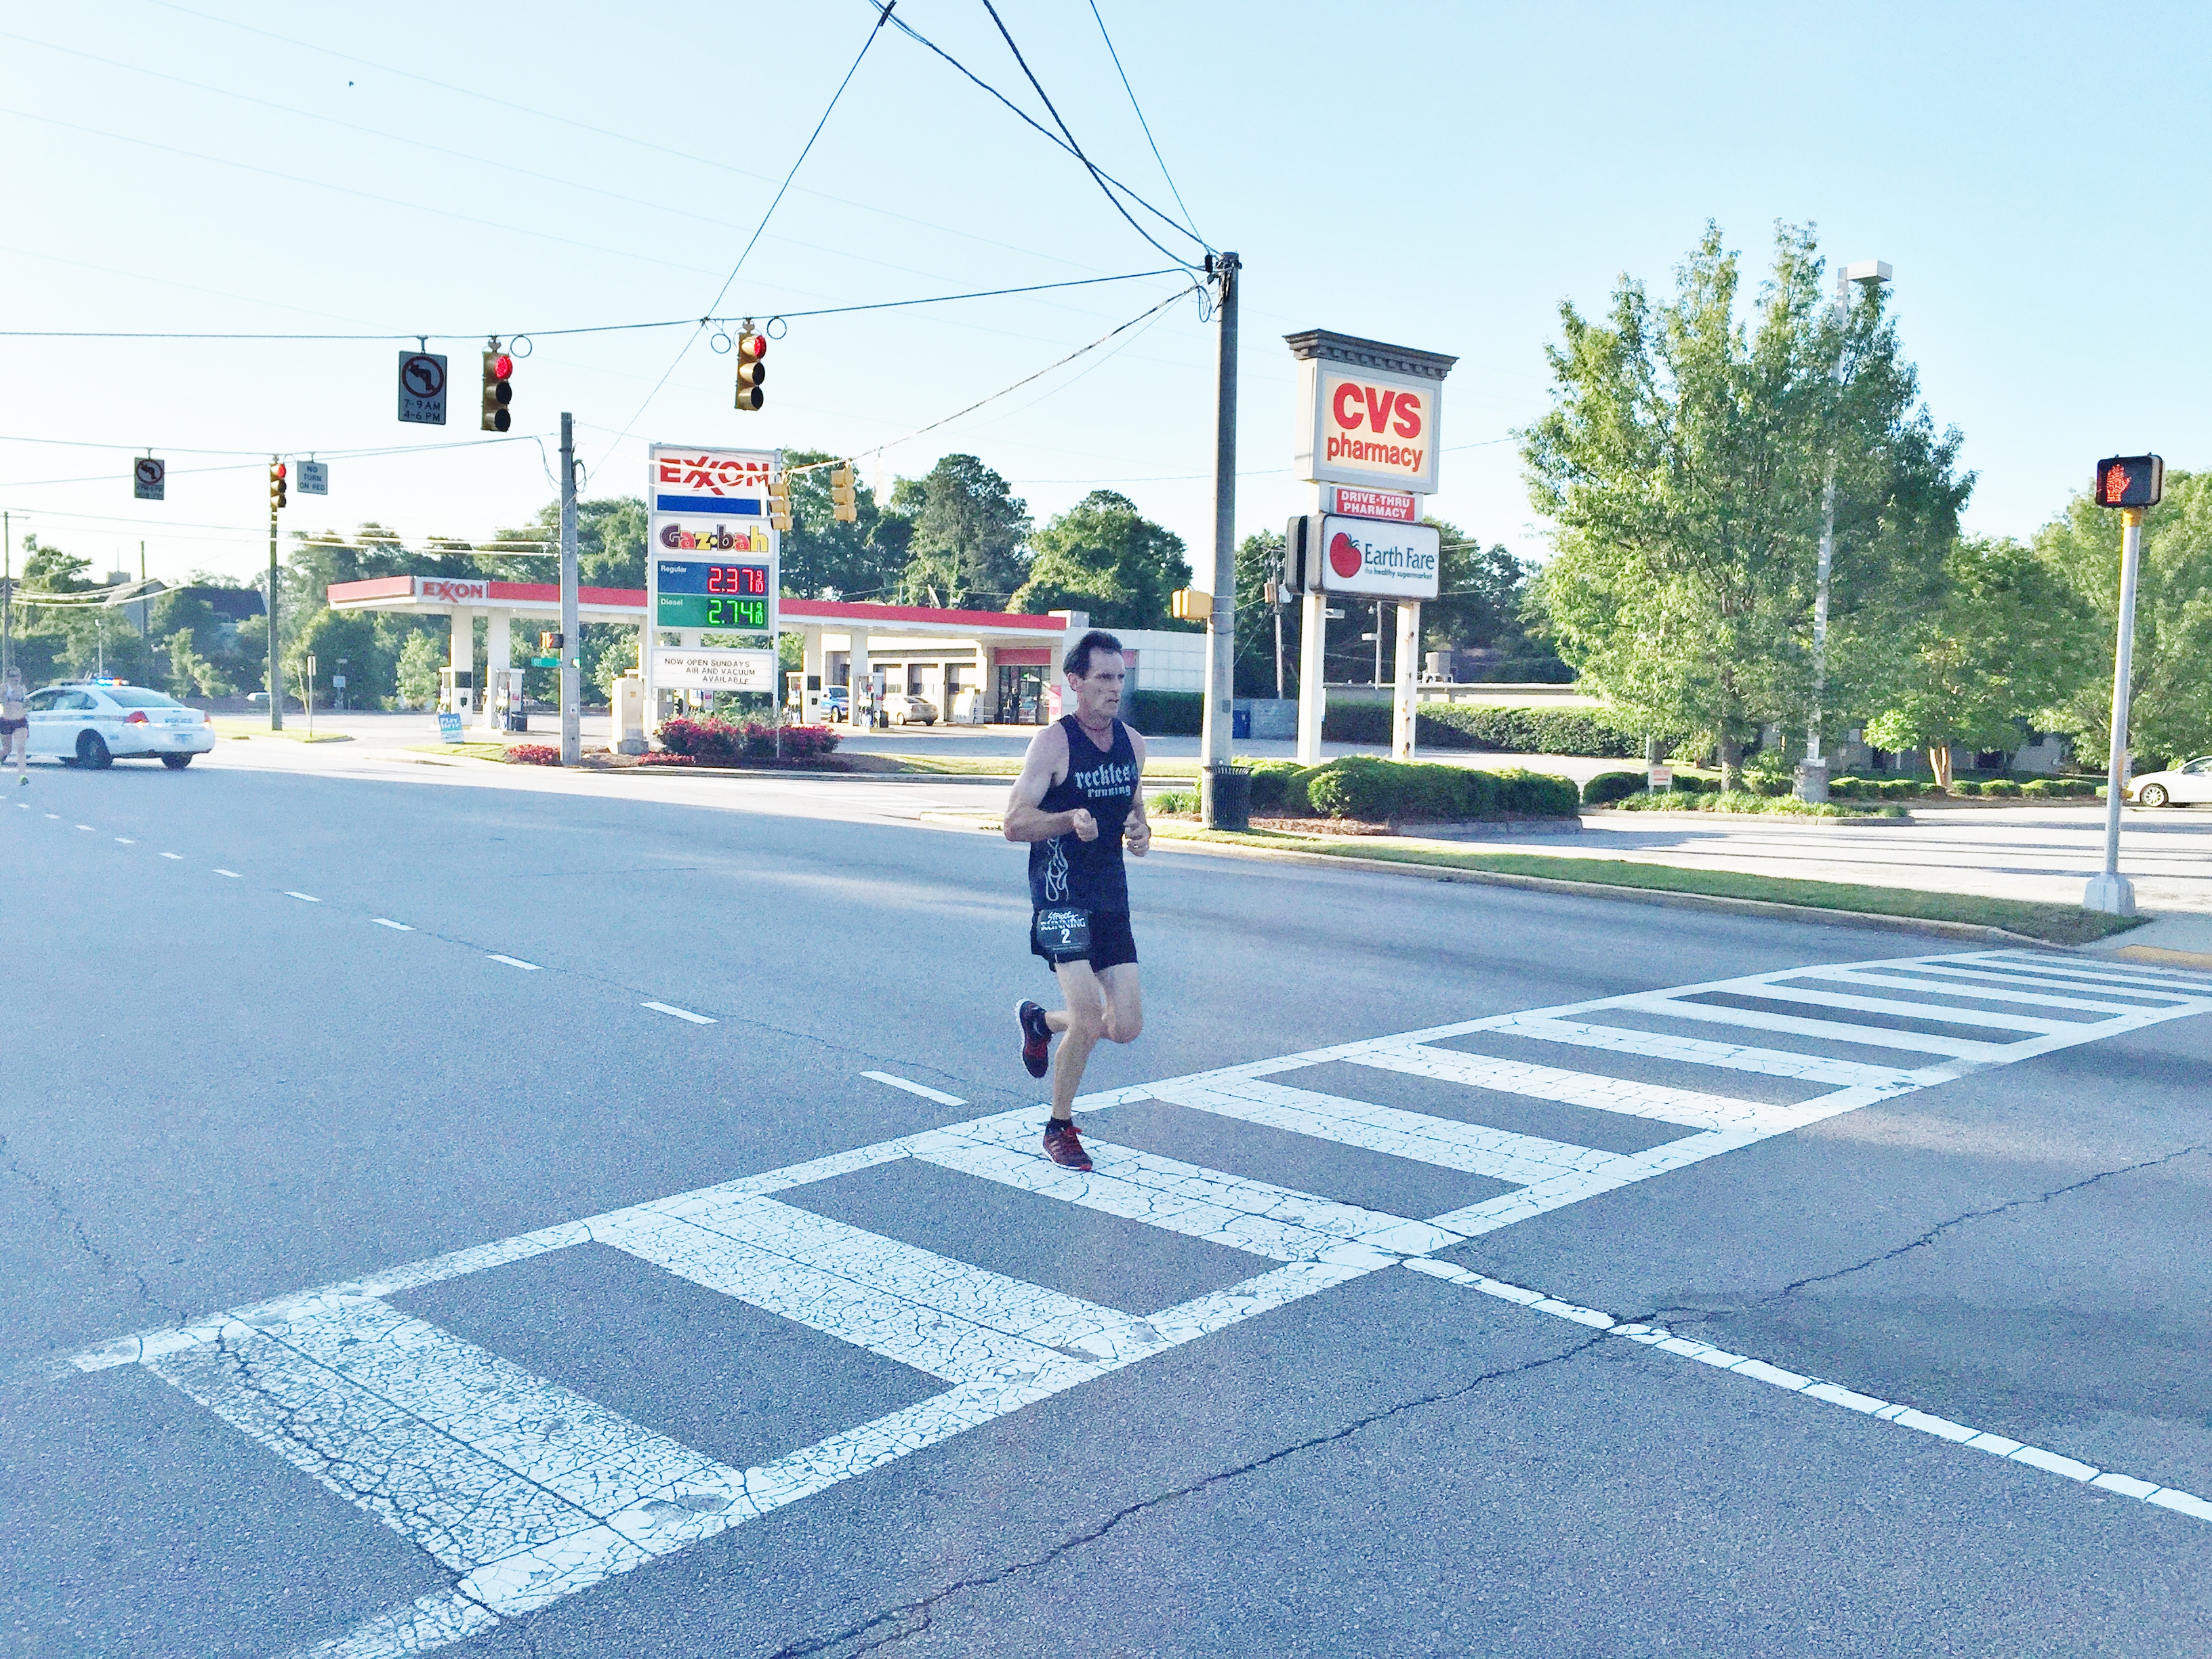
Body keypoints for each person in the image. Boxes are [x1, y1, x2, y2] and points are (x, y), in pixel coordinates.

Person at [1003, 630, 1151, 1170]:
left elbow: (1133, 806)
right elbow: (1014, 823)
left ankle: (1041, 1022)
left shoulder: (1134, 744)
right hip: (1060, 897)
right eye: (1104, 678)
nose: (1115, 689)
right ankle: (1059, 1127)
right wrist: (1067, 820)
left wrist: (1141, 831)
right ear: (1076, 682)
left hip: (1110, 895)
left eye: (1120, 678)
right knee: (1089, 1017)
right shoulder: (1053, 744)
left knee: (1125, 1026)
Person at [1, 668, 26, 786]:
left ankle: (22, 776)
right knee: (7, 749)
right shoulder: (4, 688)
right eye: (12, 676)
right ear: (8, 677)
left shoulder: (23, 689)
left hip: (20, 721)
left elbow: (25, 703)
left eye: (17, 675)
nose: (15, 678)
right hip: (6, 721)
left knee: (21, 747)